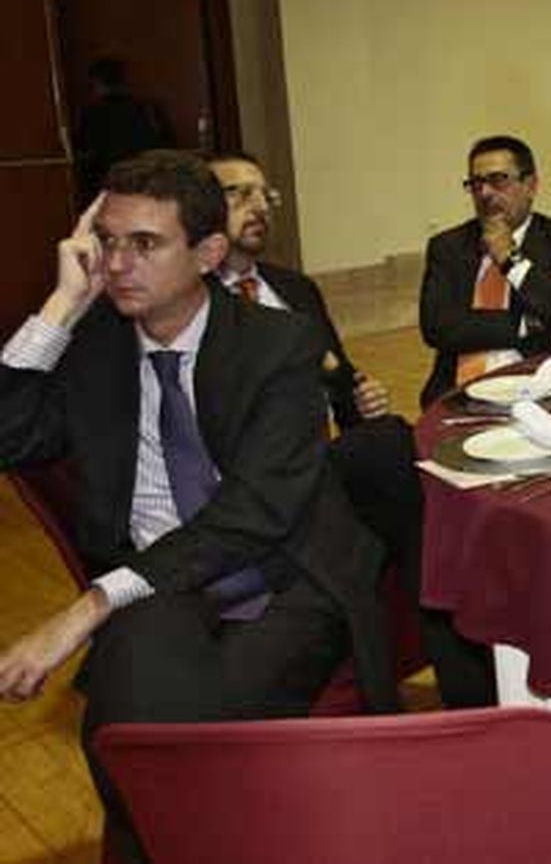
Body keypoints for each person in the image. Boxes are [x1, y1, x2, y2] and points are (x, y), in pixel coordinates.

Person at [0, 150, 393, 861]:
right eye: (108, 240)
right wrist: (62, 303)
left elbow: (252, 517)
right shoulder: (95, 344)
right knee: (129, 732)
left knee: (188, 734)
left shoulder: (279, 344)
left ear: (209, 253)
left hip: (286, 574)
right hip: (158, 582)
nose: (117, 263)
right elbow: (11, 435)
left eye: (144, 244)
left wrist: (87, 608)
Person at [208, 151, 495, 707]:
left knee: (407, 486)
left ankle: (464, 695)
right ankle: (453, 696)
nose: (258, 206)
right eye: (237, 194)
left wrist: (360, 400)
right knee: (395, 455)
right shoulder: (198, 304)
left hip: (321, 476)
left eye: (264, 194)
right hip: (258, 490)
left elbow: (340, 387)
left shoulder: (293, 290)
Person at [419, 135, 551, 407]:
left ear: (531, 185)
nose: (485, 193)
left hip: (540, 387)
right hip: (458, 392)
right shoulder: (449, 247)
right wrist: (526, 324)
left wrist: (511, 261)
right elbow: (438, 327)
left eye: (498, 180)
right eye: (476, 183)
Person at [71, 56, 173, 210]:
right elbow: (167, 147)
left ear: (97, 83)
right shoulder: (148, 109)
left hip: (108, 187)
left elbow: (85, 154)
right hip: (148, 184)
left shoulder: (91, 114)